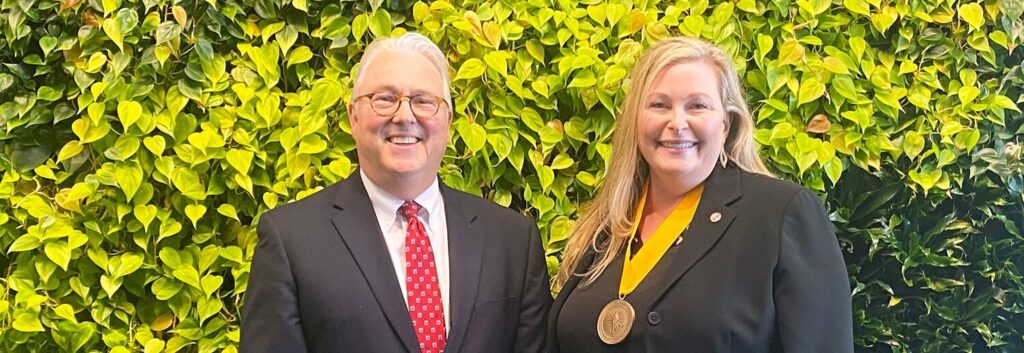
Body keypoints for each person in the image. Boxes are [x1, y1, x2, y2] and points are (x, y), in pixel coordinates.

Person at [241, 33, 551, 353]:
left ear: (447, 120)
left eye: (423, 101)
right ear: (354, 116)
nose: (404, 116)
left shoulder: (512, 240)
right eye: (385, 99)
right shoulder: (291, 241)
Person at [548, 36, 853, 352]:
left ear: (726, 123)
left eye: (697, 105)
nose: (677, 122)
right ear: (636, 120)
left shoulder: (778, 215)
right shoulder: (607, 226)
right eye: (659, 104)